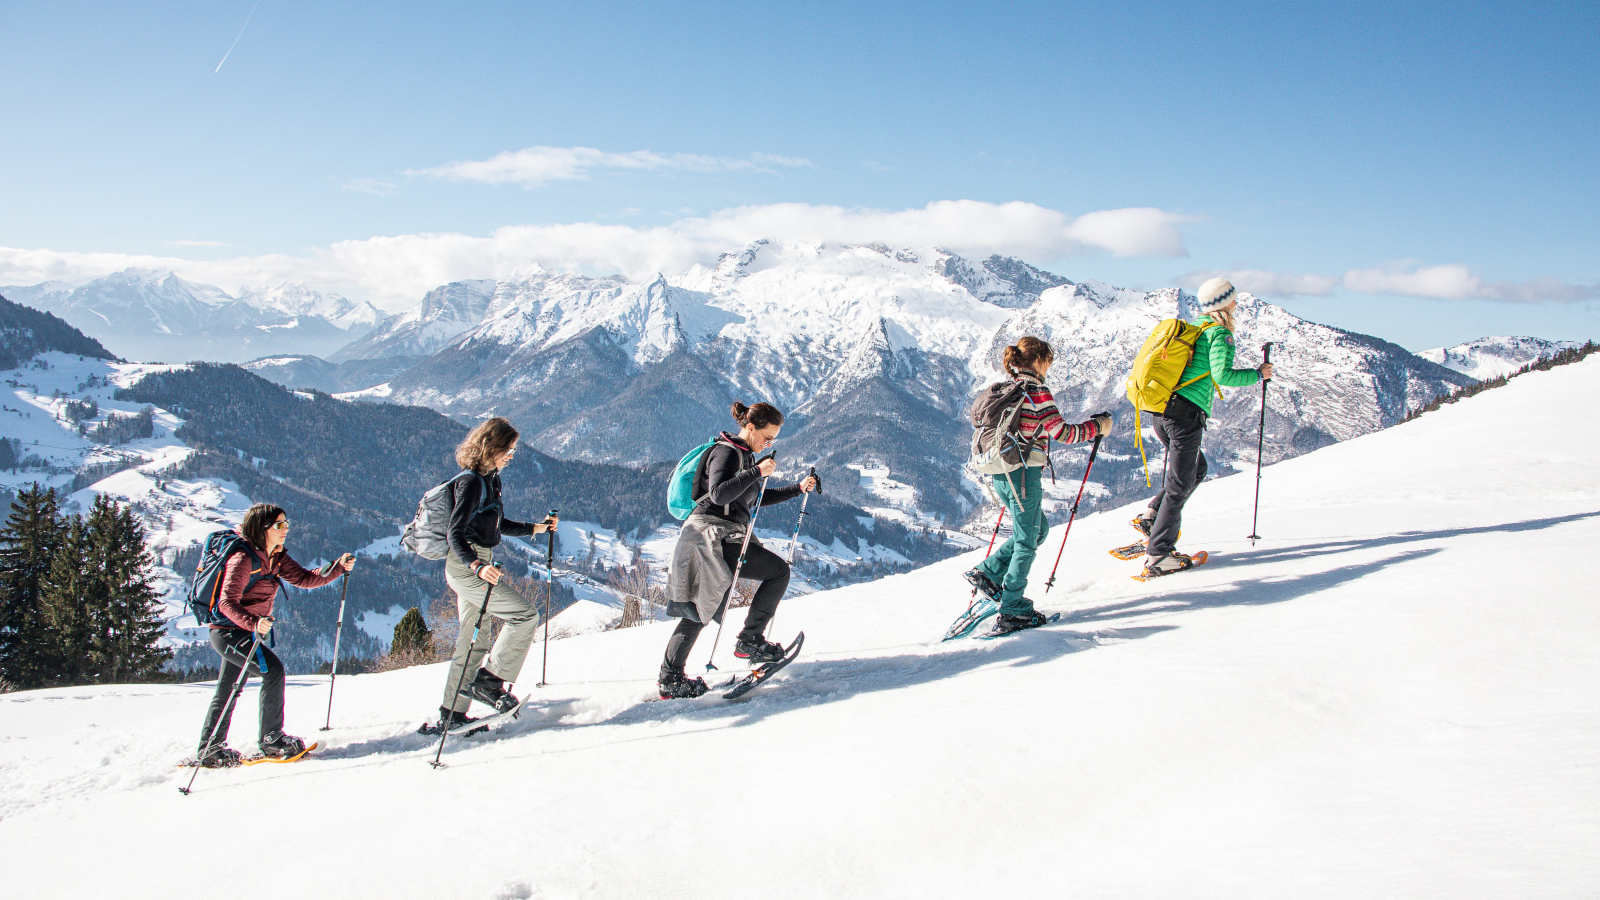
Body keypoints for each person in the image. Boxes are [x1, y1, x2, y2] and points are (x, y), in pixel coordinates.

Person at [659, 401, 819, 699]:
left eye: (773, 440)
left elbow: (751, 498)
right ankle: (750, 640)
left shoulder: (744, 457)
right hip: (710, 538)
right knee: (777, 572)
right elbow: (719, 494)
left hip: (723, 536)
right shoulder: (727, 452)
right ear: (750, 427)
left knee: (700, 609)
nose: (768, 444)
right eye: (767, 437)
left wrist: (797, 488)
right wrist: (757, 471)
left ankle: (671, 678)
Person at [964, 337, 1111, 634]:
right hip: (1024, 476)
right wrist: (1099, 427)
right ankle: (1013, 609)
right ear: (1040, 361)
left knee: (1036, 530)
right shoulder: (1037, 391)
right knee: (1027, 541)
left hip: (1002, 474)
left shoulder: (1005, 389)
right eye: (1048, 363)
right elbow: (1064, 433)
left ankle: (989, 573)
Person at [1131, 277, 1274, 576]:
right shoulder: (1220, 334)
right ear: (1224, 303)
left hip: (1162, 412)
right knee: (1181, 483)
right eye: (1233, 299)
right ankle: (1159, 554)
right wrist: (1258, 374)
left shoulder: (1194, 329)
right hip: (1185, 417)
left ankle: (1152, 516)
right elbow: (1223, 375)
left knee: (1196, 470)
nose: (1237, 303)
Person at [194, 503, 354, 767]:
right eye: (279, 525)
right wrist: (254, 623)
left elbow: (303, 578)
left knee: (227, 689)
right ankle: (271, 740)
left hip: (246, 632)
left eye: (286, 523)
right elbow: (225, 602)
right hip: (230, 634)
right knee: (273, 671)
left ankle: (210, 749)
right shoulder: (243, 559)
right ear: (262, 528)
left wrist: (336, 568)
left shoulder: (275, 556)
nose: (286, 529)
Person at [434, 417, 559, 732]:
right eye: (509, 449)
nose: (512, 455)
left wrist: (537, 527)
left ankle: (452, 713)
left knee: (473, 641)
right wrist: (477, 565)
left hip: (479, 562)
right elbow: (454, 533)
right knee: (525, 615)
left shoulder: (491, 479)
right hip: (468, 566)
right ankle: (489, 682)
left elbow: (497, 524)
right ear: (492, 447)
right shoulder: (472, 481)